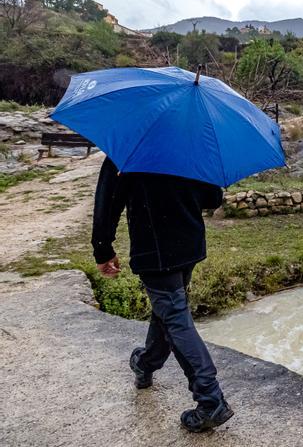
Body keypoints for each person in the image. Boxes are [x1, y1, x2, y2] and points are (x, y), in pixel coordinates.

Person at [91, 157, 234, 432]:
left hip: (155, 250)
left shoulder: (128, 146)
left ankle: (210, 398)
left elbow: (108, 200)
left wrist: (102, 248)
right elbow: (212, 197)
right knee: (168, 312)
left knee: (174, 317)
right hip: (189, 245)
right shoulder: (189, 144)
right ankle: (145, 363)